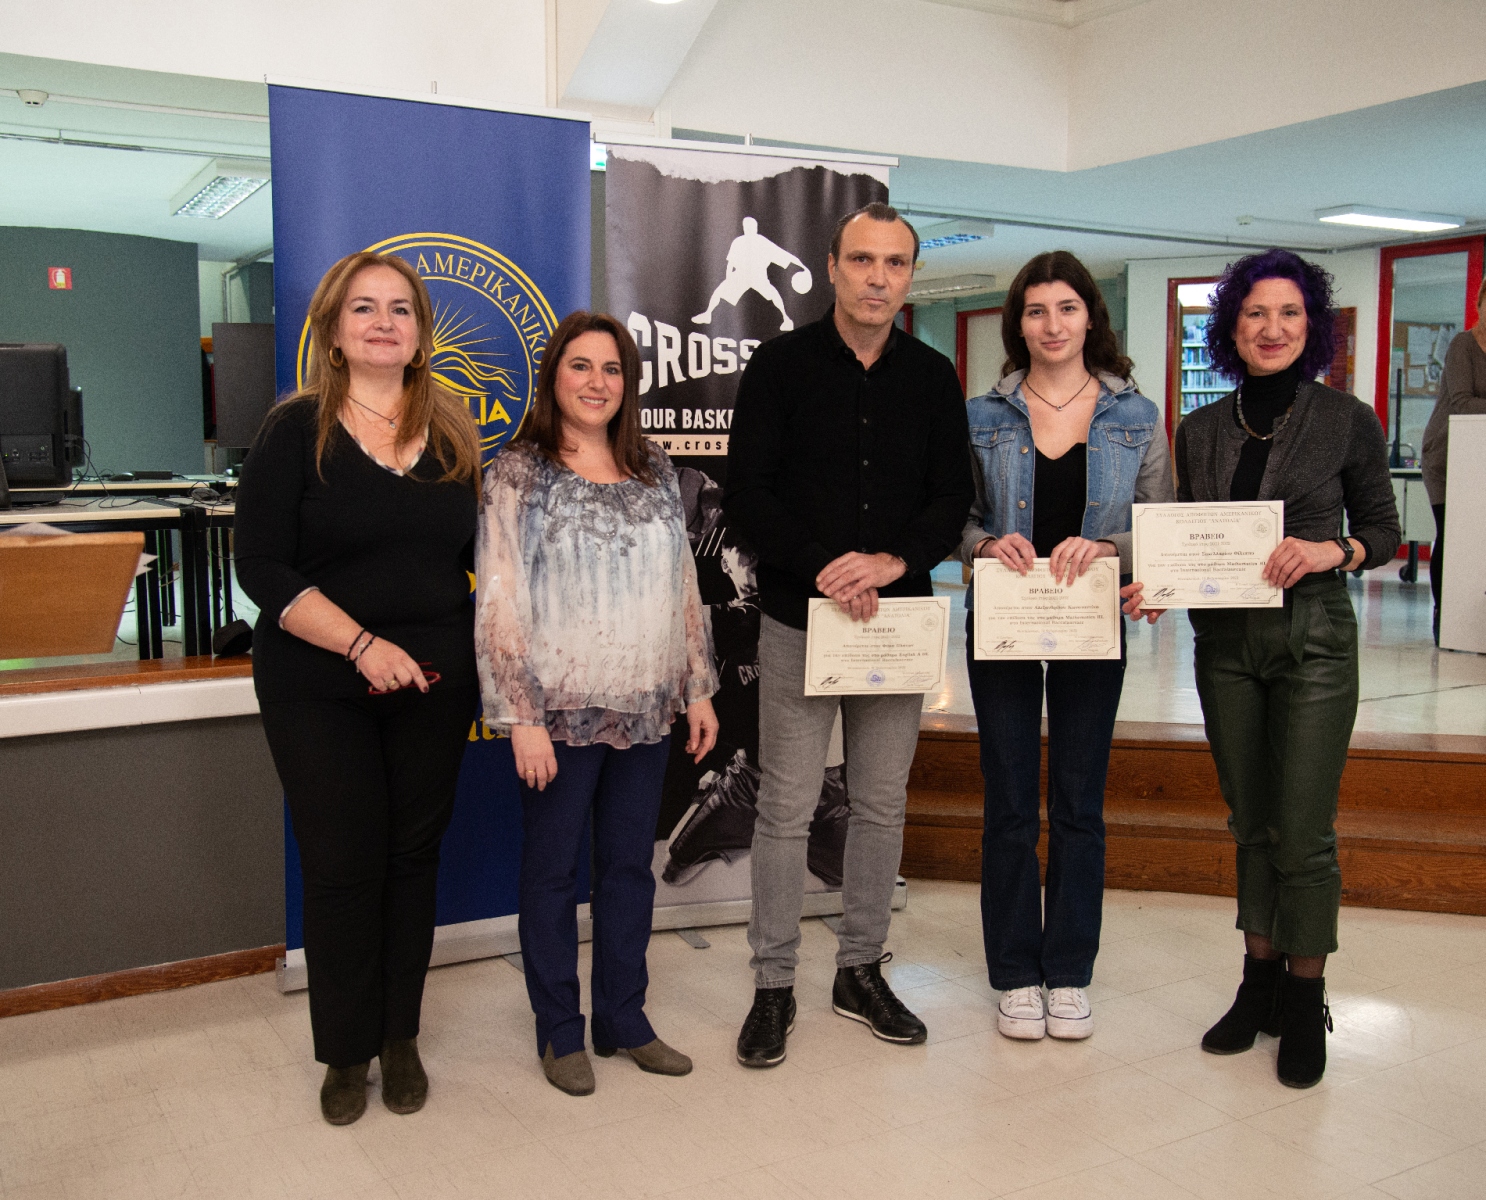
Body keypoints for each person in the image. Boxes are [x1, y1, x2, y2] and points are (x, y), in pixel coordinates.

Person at [1135, 249, 1399, 1089]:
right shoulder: (1202, 428)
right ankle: (1257, 983)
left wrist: (1331, 550)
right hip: (1226, 645)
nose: (1272, 328)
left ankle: (1304, 996)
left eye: (1288, 313)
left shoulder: (1347, 419)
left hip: (1313, 638)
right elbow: (1188, 536)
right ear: (1231, 328)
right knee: (1250, 819)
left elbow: (1384, 534)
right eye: (1255, 313)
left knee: (1303, 826)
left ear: (1310, 326)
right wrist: (1158, 583)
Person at [234, 251, 482, 1125]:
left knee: (413, 860)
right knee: (343, 866)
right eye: (364, 308)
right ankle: (345, 1051)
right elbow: (260, 565)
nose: (384, 322)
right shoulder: (294, 431)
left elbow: (478, 560)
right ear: (334, 332)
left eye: (400, 309)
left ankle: (398, 1035)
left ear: (420, 334)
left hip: (435, 682)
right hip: (317, 682)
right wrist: (361, 644)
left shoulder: (453, 435)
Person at [724, 201, 974, 1068]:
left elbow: (951, 497)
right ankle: (773, 983)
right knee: (786, 808)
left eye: (895, 263)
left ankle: (860, 969)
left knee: (879, 803)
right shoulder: (779, 366)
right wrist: (828, 566)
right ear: (831, 267)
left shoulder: (932, 377)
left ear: (911, 276)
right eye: (862, 260)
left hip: (895, 624)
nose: (878, 277)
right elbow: (748, 492)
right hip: (802, 616)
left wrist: (892, 561)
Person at [475, 311, 720, 1097]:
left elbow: (683, 582)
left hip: (647, 708)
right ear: (554, 376)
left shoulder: (654, 468)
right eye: (580, 366)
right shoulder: (521, 471)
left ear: (628, 384)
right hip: (559, 714)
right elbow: (500, 598)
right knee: (552, 874)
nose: (596, 382)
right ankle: (559, 1030)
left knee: (628, 871)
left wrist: (699, 686)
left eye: (612, 369)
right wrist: (521, 717)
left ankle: (625, 1018)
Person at [960, 251, 1172, 1043]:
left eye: (1067, 308)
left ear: (1090, 318)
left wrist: (1114, 548)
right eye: (1036, 310)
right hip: (1004, 620)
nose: (1052, 325)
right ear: (1018, 323)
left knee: (1080, 801)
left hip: (1092, 623)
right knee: (1010, 799)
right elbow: (956, 518)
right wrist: (985, 546)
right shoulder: (981, 415)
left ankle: (1071, 971)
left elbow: (1158, 523)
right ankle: (1016, 972)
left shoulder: (1136, 415)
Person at [1420, 277, 1486, 643]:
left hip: (1479, 457)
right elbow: (1463, 403)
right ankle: (1443, 614)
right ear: (1479, 304)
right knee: (1450, 534)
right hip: (1446, 454)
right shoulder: (1463, 344)